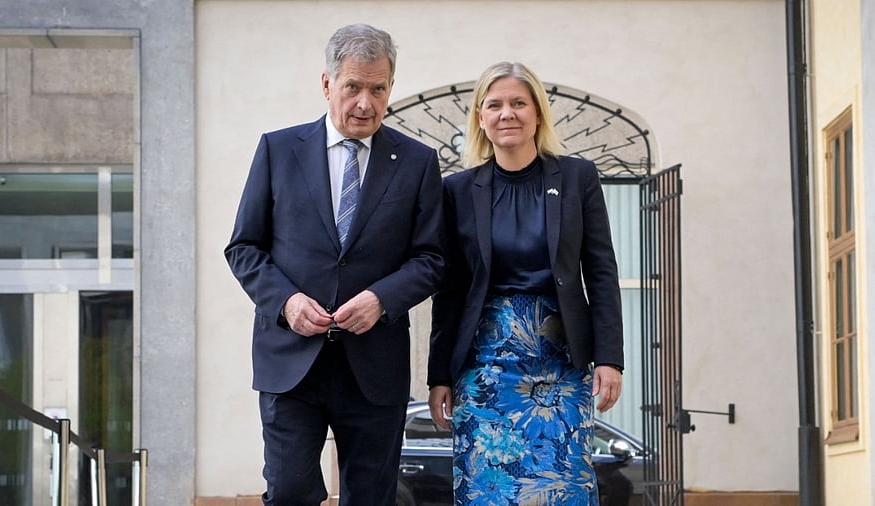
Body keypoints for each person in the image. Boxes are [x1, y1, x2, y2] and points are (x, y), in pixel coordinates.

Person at [225, 23, 444, 506]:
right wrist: (285, 302)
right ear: (327, 84)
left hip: (374, 366)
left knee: (371, 497)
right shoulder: (278, 150)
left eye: (378, 88)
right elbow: (243, 248)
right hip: (291, 362)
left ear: (390, 88)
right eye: (353, 87)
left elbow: (431, 259)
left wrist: (381, 299)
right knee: (287, 493)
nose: (365, 102)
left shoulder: (417, 161)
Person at [427, 61, 624, 505]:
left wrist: (611, 358)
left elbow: (601, 272)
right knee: (489, 493)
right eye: (494, 105)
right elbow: (451, 290)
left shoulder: (577, 178)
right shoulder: (458, 190)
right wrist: (439, 373)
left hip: (562, 366)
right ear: (480, 118)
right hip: (486, 369)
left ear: (538, 113)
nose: (507, 114)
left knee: (562, 491)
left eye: (518, 103)